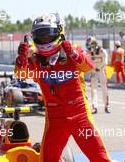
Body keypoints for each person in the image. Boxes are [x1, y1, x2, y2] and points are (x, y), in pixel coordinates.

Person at [15, 13, 111, 162]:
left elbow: (88, 67)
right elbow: (21, 75)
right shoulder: (34, 59)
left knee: (100, 158)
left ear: (59, 32)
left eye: (48, 35)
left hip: (80, 117)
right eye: (41, 35)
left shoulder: (72, 50)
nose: (45, 39)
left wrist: (73, 53)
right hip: (55, 120)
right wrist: (21, 60)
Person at [85, 37, 110, 114]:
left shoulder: (102, 51)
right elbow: (88, 62)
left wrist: (99, 68)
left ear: (94, 44)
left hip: (101, 71)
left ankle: (106, 106)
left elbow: (105, 62)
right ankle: (94, 107)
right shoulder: (89, 53)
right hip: (94, 71)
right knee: (93, 90)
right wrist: (90, 70)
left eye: (90, 45)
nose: (89, 48)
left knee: (104, 88)